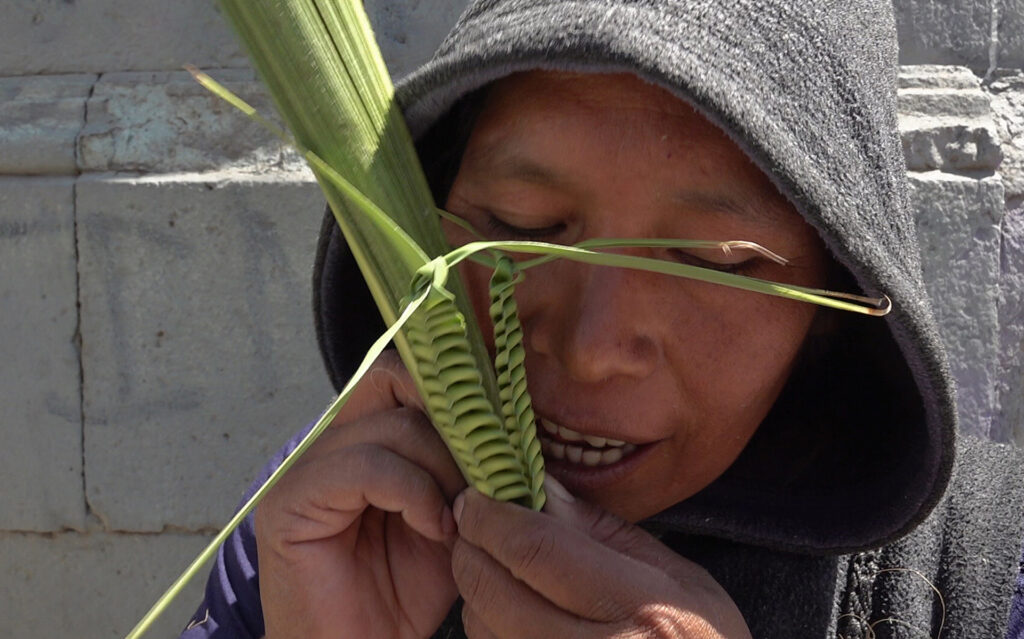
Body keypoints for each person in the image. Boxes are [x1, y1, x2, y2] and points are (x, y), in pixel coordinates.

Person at [182, 1, 1024, 637]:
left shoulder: (995, 571)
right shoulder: (325, 521)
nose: (589, 351)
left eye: (712, 262)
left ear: (839, 308)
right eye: (520, 223)